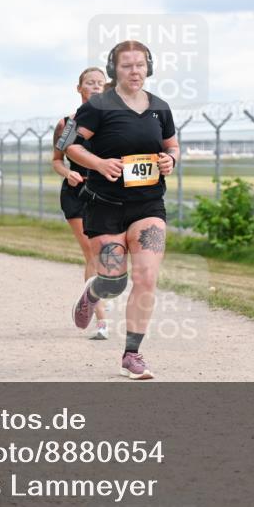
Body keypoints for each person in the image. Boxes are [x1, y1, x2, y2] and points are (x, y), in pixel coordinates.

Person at [64, 41, 179, 380]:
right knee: (113, 282)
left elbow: (172, 144)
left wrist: (170, 159)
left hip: (148, 205)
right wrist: (98, 163)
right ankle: (93, 293)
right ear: (114, 69)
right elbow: (69, 146)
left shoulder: (160, 108)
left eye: (140, 65)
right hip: (105, 206)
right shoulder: (97, 107)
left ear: (149, 68)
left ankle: (132, 354)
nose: (134, 71)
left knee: (146, 277)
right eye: (127, 65)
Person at [53, 67, 112, 340]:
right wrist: (68, 172)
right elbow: (56, 160)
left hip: (106, 192)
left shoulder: (112, 122)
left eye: (101, 83)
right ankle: (101, 320)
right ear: (79, 88)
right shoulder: (68, 124)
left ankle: (98, 291)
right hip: (76, 191)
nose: (96, 87)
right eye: (90, 83)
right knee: (91, 252)